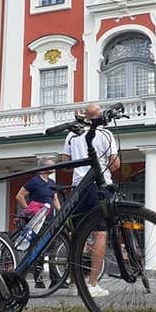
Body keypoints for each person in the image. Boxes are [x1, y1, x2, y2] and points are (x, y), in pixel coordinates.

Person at [60, 103, 120, 298]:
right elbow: (115, 164)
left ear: (85, 116)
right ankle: (93, 283)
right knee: (100, 233)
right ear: (100, 115)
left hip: (78, 187)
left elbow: (65, 163)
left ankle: (73, 283)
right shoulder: (105, 134)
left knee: (77, 235)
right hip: (99, 186)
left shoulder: (72, 134)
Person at [16, 157, 61, 289]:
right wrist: (29, 210)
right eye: (51, 165)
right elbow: (19, 196)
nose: (54, 168)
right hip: (38, 219)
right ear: (44, 167)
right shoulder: (34, 182)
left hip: (50, 218)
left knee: (52, 247)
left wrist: (60, 212)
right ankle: (38, 279)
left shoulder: (52, 182)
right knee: (37, 247)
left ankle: (55, 279)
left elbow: (55, 199)